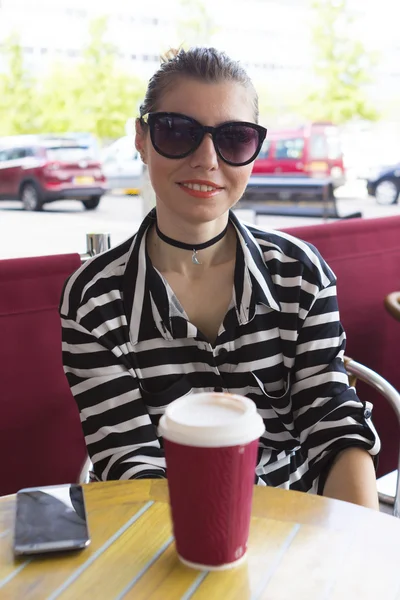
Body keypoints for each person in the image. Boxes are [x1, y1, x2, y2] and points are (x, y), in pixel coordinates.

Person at [60, 47, 380, 509]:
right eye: (177, 131)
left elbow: (331, 421)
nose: (207, 159)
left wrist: (355, 554)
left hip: (299, 523)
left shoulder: (301, 274)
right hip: (170, 530)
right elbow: (130, 460)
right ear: (142, 138)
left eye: (234, 139)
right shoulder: (96, 300)